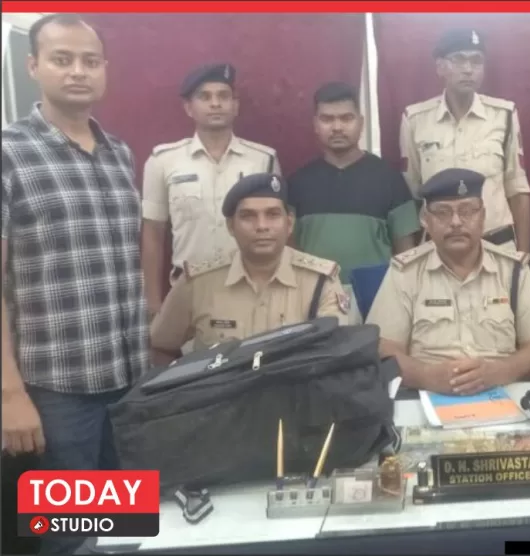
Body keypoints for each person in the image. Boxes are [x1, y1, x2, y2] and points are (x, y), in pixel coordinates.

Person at [1, 14, 148, 555]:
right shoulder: (9, 153)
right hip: (57, 392)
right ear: (33, 66)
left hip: (128, 383)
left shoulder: (120, 154)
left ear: (105, 69)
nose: (78, 71)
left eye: (90, 61)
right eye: (62, 59)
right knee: (68, 541)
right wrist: (9, 393)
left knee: (124, 533)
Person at [366, 168, 530, 395]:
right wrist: (426, 376)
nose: (456, 222)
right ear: (426, 220)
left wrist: (497, 372)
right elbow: (385, 350)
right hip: (424, 396)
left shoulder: (513, 269)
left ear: (483, 216)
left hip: (501, 394)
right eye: (443, 212)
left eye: (467, 211)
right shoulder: (405, 273)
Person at [150, 173, 348, 362]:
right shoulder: (198, 283)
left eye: (272, 215)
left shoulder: (320, 281)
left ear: (289, 224)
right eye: (248, 216)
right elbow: (160, 346)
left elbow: (335, 353)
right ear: (230, 226)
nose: (261, 226)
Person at [141, 62, 281, 319]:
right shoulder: (163, 161)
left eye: (223, 96)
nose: (215, 104)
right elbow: (152, 233)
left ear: (235, 106)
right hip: (188, 292)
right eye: (205, 97)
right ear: (189, 108)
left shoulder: (263, 160)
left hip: (251, 291)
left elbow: (275, 228)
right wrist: (153, 302)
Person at [288, 82, 420, 323]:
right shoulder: (297, 183)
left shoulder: (389, 180)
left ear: (360, 122)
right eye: (327, 119)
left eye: (346, 118)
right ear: (315, 125)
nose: (337, 127)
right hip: (312, 301)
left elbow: (406, 254)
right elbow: (289, 250)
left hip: (377, 300)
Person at [399, 28, 530, 252]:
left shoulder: (504, 115)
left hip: (496, 245)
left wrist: (524, 256)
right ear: (440, 67)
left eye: (476, 61)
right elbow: (411, 192)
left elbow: (517, 188)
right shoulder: (415, 119)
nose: (468, 69)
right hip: (438, 249)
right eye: (458, 60)